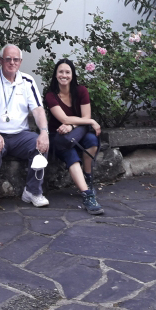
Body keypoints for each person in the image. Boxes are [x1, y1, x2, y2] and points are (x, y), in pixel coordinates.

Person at [0, 44, 51, 213]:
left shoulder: (27, 81)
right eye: (8, 59)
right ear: (1, 60)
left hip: (20, 135)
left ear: (20, 62)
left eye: (16, 59)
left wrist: (44, 132)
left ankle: (32, 191)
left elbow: (38, 110)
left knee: (41, 145)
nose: (12, 62)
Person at [43, 58, 104, 215]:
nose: (64, 75)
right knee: (70, 153)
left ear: (72, 74)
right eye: (60, 72)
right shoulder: (51, 95)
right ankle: (87, 195)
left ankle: (88, 177)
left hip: (78, 132)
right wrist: (90, 121)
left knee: (92, 140)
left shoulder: (81, 91)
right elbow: (64, 118)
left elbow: (85, 116)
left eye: (67, 72)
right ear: (55, 75)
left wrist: (72, 126)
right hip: (59, 137)